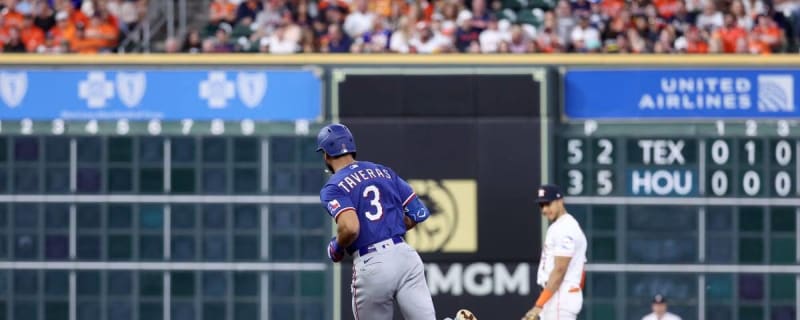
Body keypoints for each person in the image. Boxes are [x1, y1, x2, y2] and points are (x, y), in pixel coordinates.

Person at [317, 123, 436, 320]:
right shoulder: (383, 171)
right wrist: (387, 226)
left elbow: (350, 227)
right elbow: (418, 212)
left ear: (326, 154)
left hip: (372, 263)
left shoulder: (333, 186)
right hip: (405, 256)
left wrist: (336, 247)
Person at [522, 184, 587, 320]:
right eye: (541, 205)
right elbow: (581, 271)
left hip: (559, 297)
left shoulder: (565, 228)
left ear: (560, 201)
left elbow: (560, 269)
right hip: (558, 297)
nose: (544, 209)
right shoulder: (562, 226)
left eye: (548, 204)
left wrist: (539, 305)